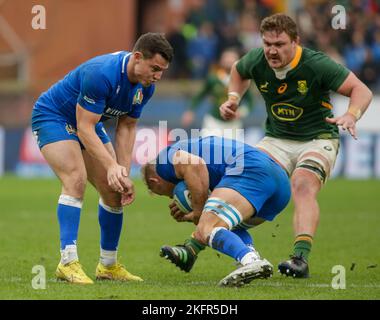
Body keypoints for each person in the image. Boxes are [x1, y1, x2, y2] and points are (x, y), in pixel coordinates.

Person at [219, 13, 373, 278]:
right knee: (246, 183)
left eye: (279, 44)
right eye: (267, 43)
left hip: (318, 138)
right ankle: (202, 242)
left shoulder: (317, 64)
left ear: (295, 42)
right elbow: (238, 71)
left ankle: (300, 259)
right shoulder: (257, 59)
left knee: (302, 184)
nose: (272, 50)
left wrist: (351, 114)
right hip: (276, 139)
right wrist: (234, 98)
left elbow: (362, 90)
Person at [31, 33, 173, 284]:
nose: (158, 76)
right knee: (75, 179)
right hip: (54, 116)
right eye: (155, 68)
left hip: (88, 120)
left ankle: (108, 266)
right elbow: (84, 128)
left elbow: (127, 127)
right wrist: (110, 164)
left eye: (162, 71)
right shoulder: (102, 73)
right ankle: (67, 262)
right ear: (138, 57)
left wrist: (122, 172)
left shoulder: (145, 87)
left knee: (113, 190)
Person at [141, 136, 290, 287]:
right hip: (280, 184)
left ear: (155, 182)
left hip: (251, 170)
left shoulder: (163, 162)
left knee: (207, 227)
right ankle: (194, 250)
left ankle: (251, 260)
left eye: (162, 193)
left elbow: (195, 165)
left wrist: (198, 212)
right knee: (226, 224)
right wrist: (198, 212)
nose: (170, 197)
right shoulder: (192, 148)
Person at [181, 48, 254, 141]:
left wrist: (242, 112)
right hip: (213, 121)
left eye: (232, 57)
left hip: (233, 124)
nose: (229, 60)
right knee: (208, 147)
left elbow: (250, 102)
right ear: (221, 60)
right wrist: (190, 111)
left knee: (232, 152)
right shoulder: (213, 78)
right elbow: (200, 95)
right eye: (226, 57)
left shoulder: (242, 80)